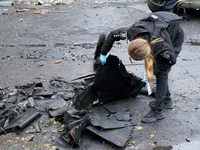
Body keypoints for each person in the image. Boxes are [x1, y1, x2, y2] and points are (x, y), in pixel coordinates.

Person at [99, 11, 184, 123]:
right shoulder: (130, 32)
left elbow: (171, 60)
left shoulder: (161, 46)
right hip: (156, 28)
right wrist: (103, 53)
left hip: (174, 37)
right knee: (157, 71)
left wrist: (151, 72)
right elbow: (112, 35)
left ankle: (158, 111)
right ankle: (166, 100)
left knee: (161, 74)